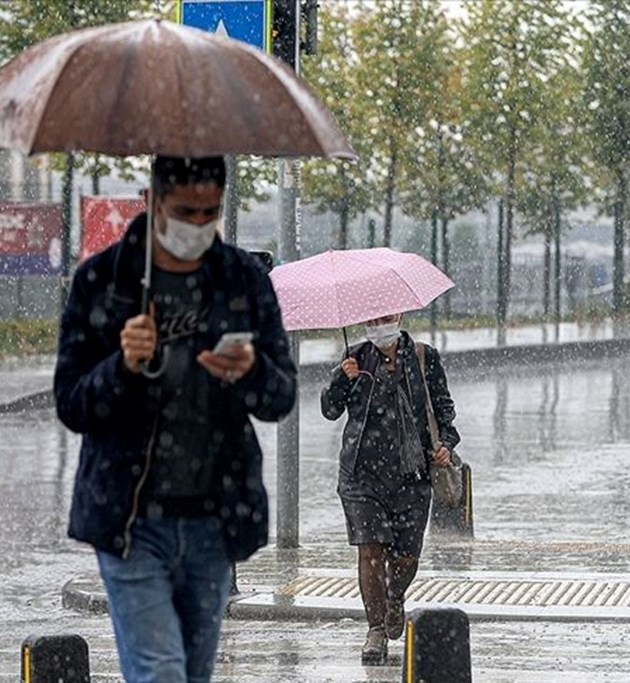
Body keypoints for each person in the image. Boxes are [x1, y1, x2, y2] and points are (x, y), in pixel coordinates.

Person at [55, 155, 296, 683]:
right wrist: (122, 366)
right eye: (185, 211)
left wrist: (251, 370)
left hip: (213, 518)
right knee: (160, 672)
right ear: (154, 201)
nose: (197, 225)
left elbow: (281, 398)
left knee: (191, 673)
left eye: (209, 212)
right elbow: (72, 404)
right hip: (130, 521)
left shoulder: (243, 281)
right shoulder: (102, 282)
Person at [320, 313, 460, 663]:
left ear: (399, 315)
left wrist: (445, 444)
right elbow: (330, 409)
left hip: (411, 476)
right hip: (361, 475)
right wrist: (341, 379)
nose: (380, 322)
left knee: (407, 556)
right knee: (370, 550)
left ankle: (394, 596)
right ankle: (376, 630)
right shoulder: (355, 356)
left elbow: (444, 410)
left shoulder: (424, 357)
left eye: (387, 316)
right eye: (374, 317)